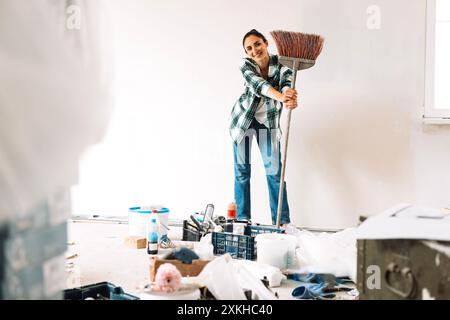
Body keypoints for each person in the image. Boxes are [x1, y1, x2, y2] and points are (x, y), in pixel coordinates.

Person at [229, 29, 298, 226]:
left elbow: (286, 84)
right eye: (249, 48)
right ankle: (242, 219)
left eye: (257, 44)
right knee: (242, 172)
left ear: (266, 43)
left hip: (267, 126)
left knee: (275, 173)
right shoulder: (245, 64)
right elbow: (258, 85)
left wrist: (290, 97)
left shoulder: (283, 63)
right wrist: (282, 97)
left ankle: (282, 222)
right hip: (242, 124)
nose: (254, 50)